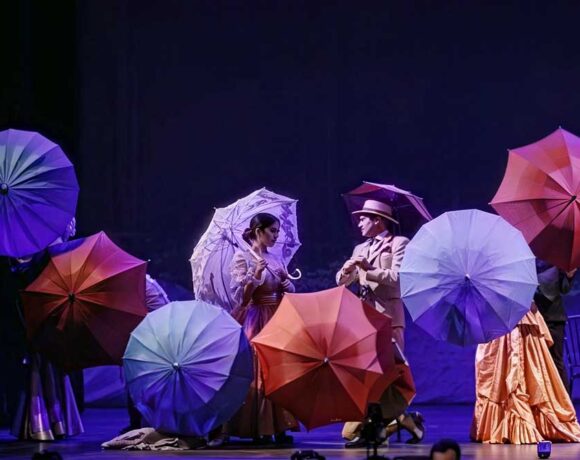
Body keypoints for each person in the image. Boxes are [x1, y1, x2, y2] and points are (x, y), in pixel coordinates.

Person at [336, 199, 424, 447]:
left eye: (363, 219)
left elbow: (398, 278)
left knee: (388, 374)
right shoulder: (360, 248)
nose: (359, 223)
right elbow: (342, 282)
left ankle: (381, 428)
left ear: (378, 220)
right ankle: (403, 421)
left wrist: (369, 268)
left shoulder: (399, 243)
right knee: (367, 375)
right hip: (364, 321)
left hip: (388, 319)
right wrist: (346, 271)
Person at [213, 212, 298, 446]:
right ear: (258, 231)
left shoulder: (275, 258)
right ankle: (259, 427)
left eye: (278, 231)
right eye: (272, 231)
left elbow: (286, 290)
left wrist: (286, 283)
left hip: (277, 317)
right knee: (258, 371)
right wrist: (256, 274)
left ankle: (279, 426)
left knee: (279, 371)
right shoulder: (242, 257)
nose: (276, 236)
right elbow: (241, 298)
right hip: (256, 317)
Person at [9, 218, 84, 440]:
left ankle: (53, 421)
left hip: (53, 306)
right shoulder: (45, 242)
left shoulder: (52, 242)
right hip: (42, 307)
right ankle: (46, 421)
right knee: (42, 361)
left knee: (50, 362)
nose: (71, 227)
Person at [470, 302, 580, 444]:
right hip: (504, 321)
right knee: (505, 371)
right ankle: (512, 424)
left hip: (512, 319)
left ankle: (516, 423)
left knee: (523, 372)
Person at [534, 259, 576, 393]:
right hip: (534, 319)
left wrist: (569, 276)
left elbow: (564, 289)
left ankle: (564, 400)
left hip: (554, 318)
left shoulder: (557, 260)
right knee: (537, 363)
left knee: (556, 361)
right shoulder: (529, 261)